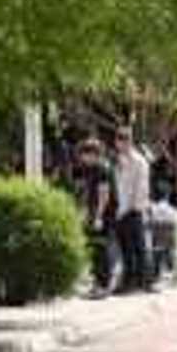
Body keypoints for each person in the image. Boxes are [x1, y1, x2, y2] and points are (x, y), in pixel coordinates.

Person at [68, 137, 115, 296]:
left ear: (94, 154)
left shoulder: (103, 169)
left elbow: (104, 195)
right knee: (94, 248)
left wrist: (99, 216)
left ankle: (103, 285)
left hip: (104, 214)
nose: (83, 158)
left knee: (101, 248)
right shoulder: (91, 169)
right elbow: (87, 193)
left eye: (85, 154)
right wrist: (85, 212)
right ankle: (97, 282)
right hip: (94, 212)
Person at [111, 126, 154, 294]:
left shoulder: (139, 161)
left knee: (138, 247)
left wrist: (134, 207)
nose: (119, 145)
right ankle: (131, 282)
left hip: (134, 209)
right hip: (121, 209)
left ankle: (144, 282)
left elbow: (141, 187)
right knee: (126, 248)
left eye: (122, 141)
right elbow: (118, 185)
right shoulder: (118, 160)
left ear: (129, 141)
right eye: (118, 141)